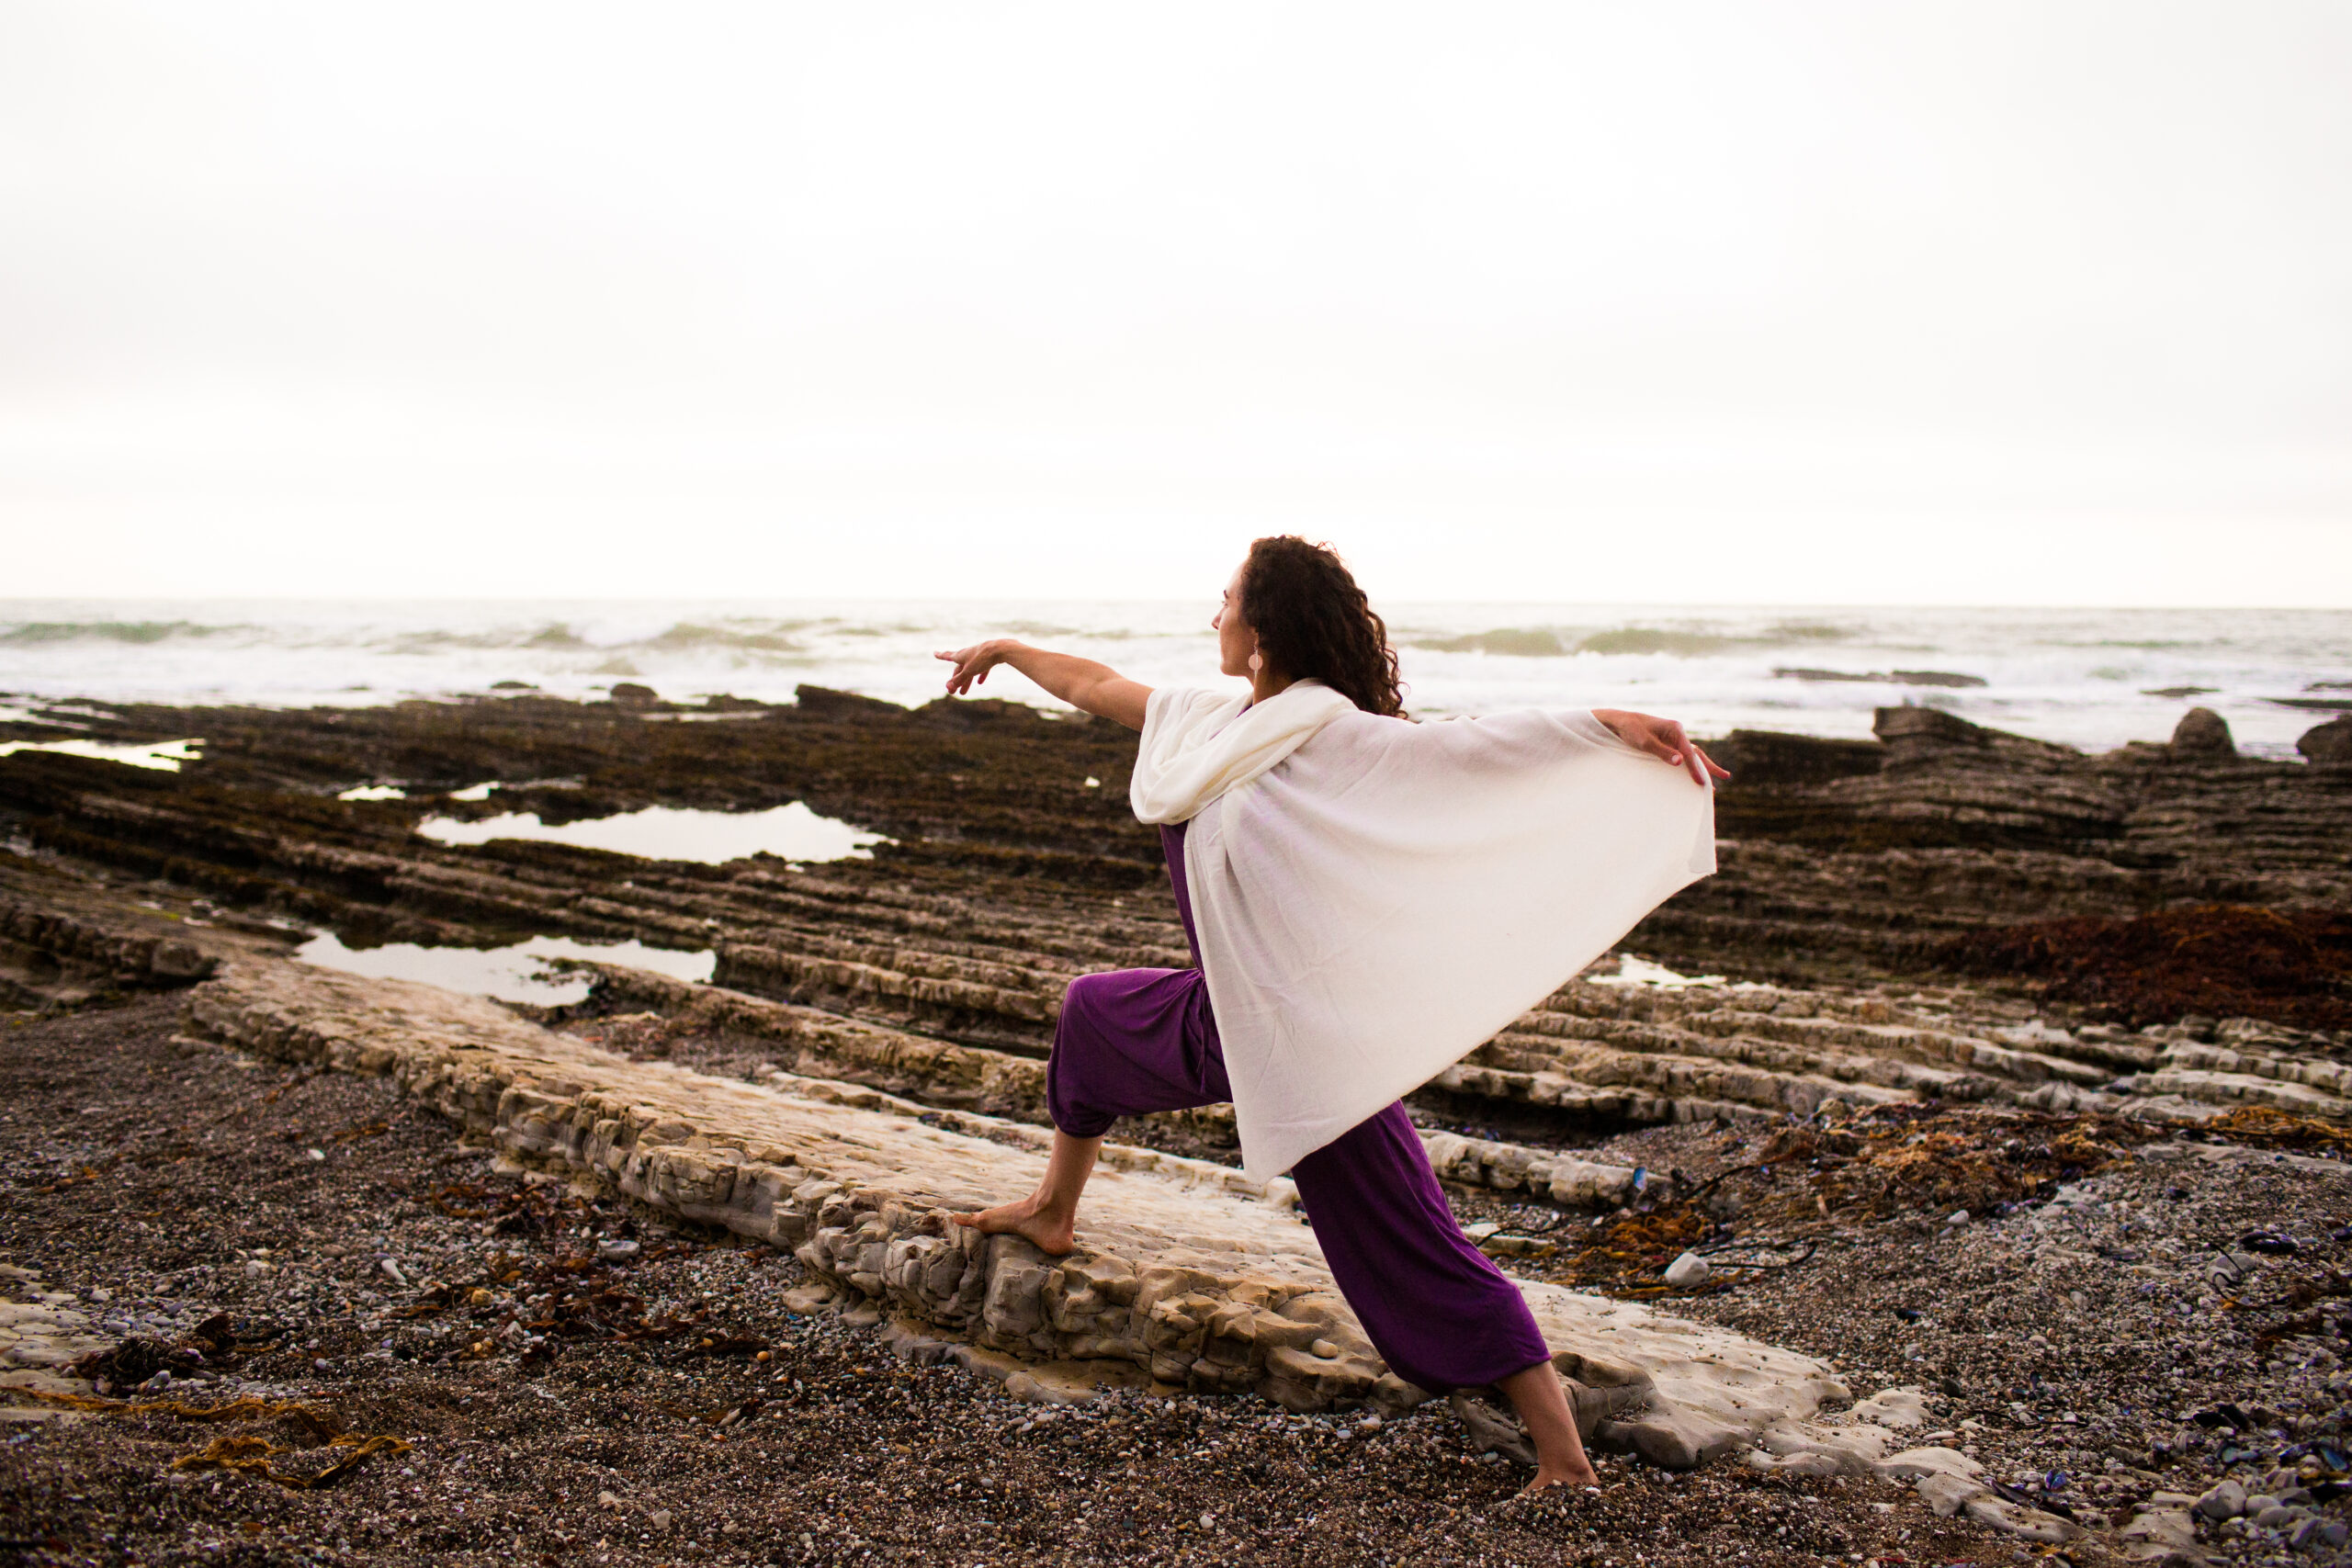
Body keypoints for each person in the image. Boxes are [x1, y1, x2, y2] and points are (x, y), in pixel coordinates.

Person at [932, 536, 1726, 1497]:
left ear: (1259, 632)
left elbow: (1470, 744)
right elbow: (1098, 686)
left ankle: (1564, 1460)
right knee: (1093, 1014)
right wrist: (1008, 649)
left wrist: (1604, 725)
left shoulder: (1335, 738)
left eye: (1224, 603)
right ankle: (1053, 1210)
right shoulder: (1208, 728)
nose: (1211, 618)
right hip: (1223, 1007)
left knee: (1406, 1239)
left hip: (1302, 1040)